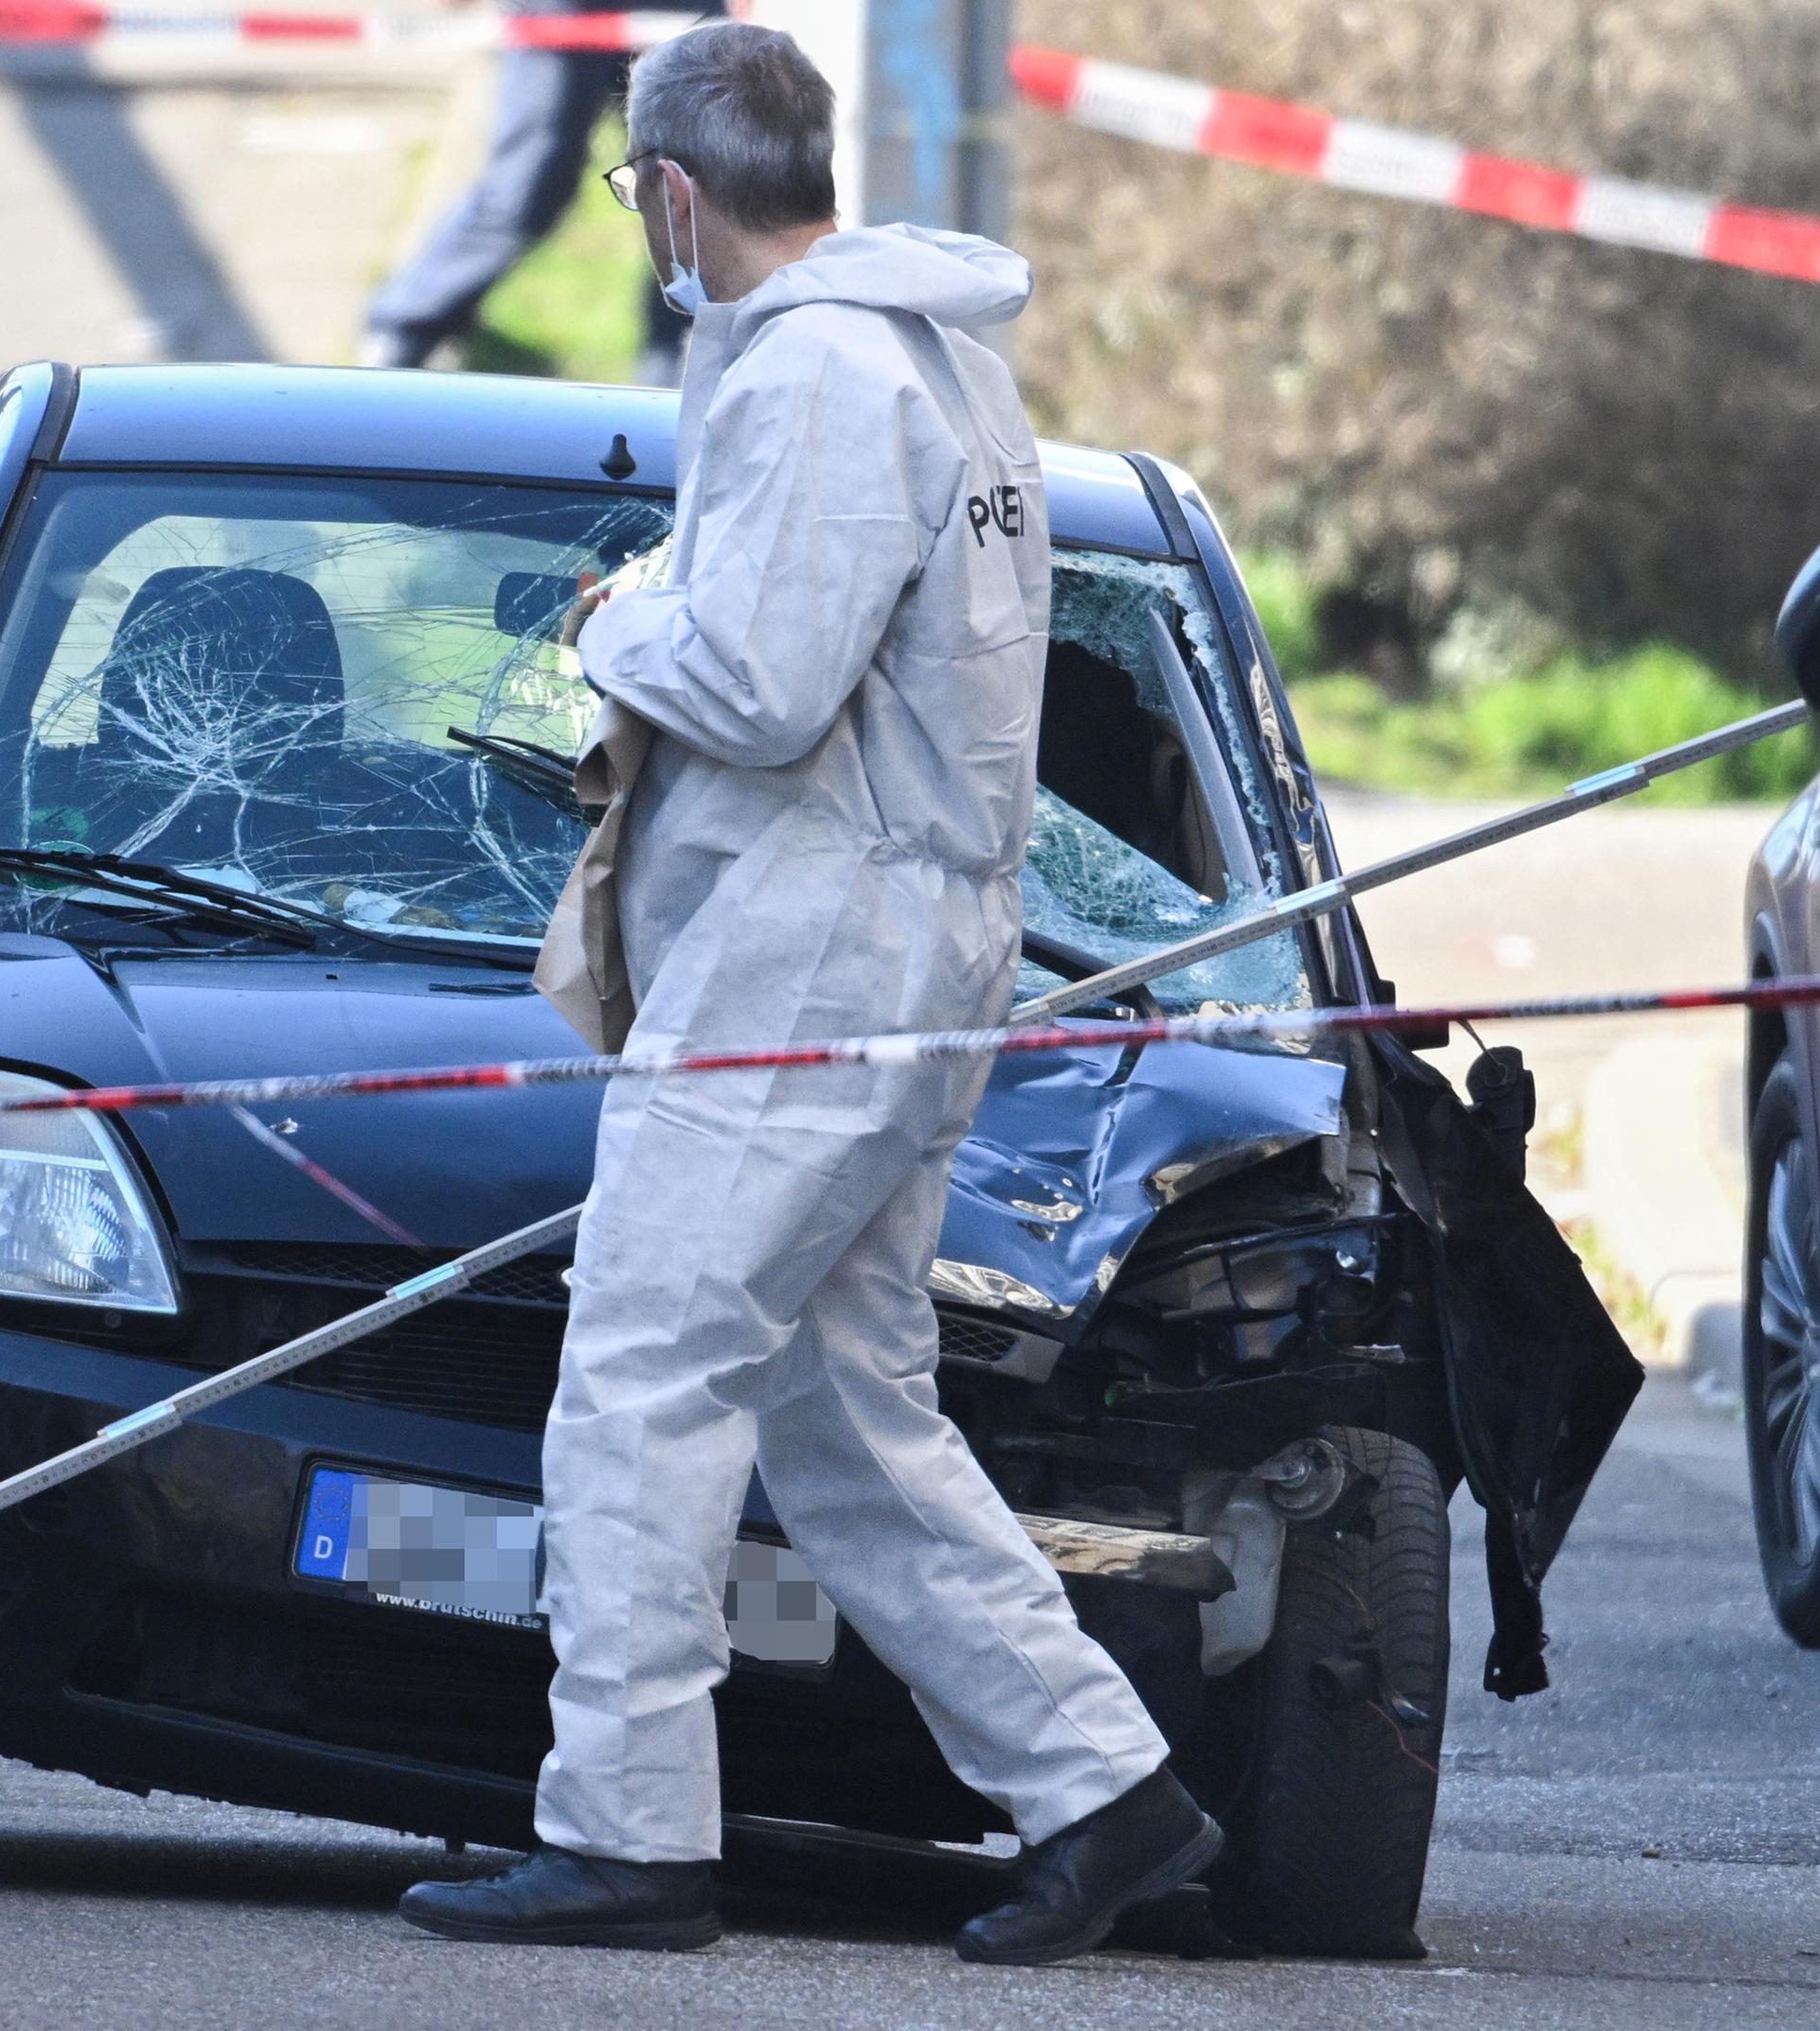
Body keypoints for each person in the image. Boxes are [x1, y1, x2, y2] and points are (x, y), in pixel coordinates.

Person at [401, 25, 1220, 1965]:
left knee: (638, 1378)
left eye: (631, 202)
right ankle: (1107, 1788)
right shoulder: (940, 358)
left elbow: (759, 685)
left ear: (673, 195)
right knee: (849, 1421)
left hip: (811, 955)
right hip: (905, 949)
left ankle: (624, 1835)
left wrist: (622, 617)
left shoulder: (824, 376)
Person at [358, 0, 723, 384]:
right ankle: (400, 333)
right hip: (562, 12)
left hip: (679, 9)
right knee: (526, 190)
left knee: (700, 194)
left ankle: (684, 372)